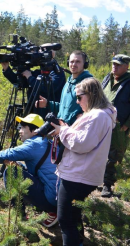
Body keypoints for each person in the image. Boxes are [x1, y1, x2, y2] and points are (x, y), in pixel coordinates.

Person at [50, 77, 116, 245]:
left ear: (91, 94)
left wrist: (63, 130)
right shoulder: (98, 115)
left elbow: (81, 143)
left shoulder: (97, 116)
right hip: (80, 173)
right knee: (74, 215)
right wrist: (65, 129)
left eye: (79, 97)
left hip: (77, 175)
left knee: (65, 220)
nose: (77, 101)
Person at [1, 49, 66, 118]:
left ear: (49, 56)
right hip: (34, 114)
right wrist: (7, 69)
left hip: (49, 116)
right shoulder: (38, 72)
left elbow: (46, 88)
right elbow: (19, 82)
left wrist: (30, 77)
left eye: (41, 55)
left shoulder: (58, 74)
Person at [36, 50, 93, 125]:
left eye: (78, 62)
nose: (73, 64)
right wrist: (48, 104)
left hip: (76, 130)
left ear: (84, 64)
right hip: (62, 128)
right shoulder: (68, 82)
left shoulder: (89, 83)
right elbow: (64, 108)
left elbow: (95, 108)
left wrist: (83, 117)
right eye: (71, 61)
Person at [101, 54, 130, 197]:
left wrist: (127, 125)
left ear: (127, 66)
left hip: (119, 126)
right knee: (98, 151)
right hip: (101, 123)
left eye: (118, 64)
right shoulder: (108, 78)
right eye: (113, 63)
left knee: (113, 156)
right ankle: (96, 180)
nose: (114, 66)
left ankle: (107, 185)